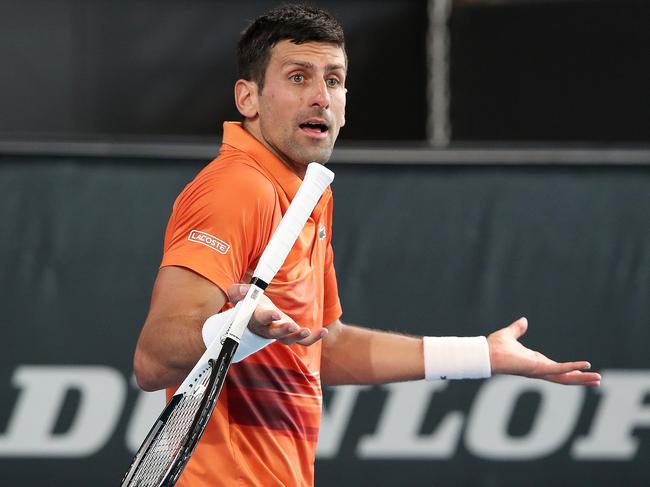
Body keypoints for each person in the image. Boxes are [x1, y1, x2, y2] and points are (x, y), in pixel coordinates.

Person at [133, 4, 601, 486]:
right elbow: (152, 360)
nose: (320, 97)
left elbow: (322, 348)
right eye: (298, 78)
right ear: (248, 97)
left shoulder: (307, 195)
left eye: (333, 81)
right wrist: (238, 328)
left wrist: (481, 354)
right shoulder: (237, 188)